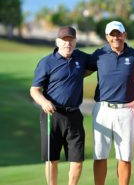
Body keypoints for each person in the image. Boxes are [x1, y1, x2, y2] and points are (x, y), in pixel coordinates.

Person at [87, 21, 134, 185]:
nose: (116, 37)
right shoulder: (99, 54)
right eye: (112, 35)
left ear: (124, 35)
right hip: (102, 110)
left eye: (119, 34)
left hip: (126, 111)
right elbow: (82, 71)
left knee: (125, 156)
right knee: (100, 155)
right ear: (107, 37)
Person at [30, 26, 89, 185]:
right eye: (64, 40)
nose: (68, 44)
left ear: (76, 42)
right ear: (57, 41)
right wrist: (44, 102)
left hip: (74, 115)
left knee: (77, 160)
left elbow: (98, 64)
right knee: (52, 160)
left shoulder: (81, 58)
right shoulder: (46, 62)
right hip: (52, 115)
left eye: (71, 40)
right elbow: (35, 90)